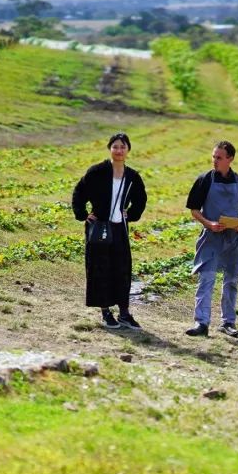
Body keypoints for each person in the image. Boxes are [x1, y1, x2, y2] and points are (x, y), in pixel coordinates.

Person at [71, 132, 147, 329]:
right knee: (100, 269)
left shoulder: (132, 176)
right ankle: (105, 312)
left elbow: (141, 199)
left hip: (119, 229)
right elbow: (79, 192)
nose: (119, 150)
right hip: (99, 228)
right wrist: (83, 214)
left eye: (122, 147)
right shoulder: (97, 171)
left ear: (128, 150)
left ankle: (124, 313)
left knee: (122, 269)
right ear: (109, 149)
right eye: (115, 146)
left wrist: (131, 214)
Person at [184, 140, 238, 338]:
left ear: (230, 159)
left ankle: (228, 323)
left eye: (219, 158)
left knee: (231, 281)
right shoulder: (205, 179)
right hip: (211, 237)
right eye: (213, 157)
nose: (214, 161)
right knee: (206, 279)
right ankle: (201, 323)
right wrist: (209, 223)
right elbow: (194, 210)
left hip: (233, 239)